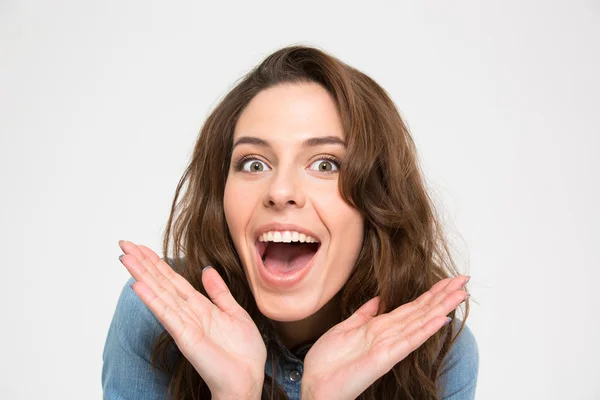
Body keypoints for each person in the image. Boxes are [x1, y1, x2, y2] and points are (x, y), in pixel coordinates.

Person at [102, 45, 479, 400]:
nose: (280, 191)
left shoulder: (436, 350)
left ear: (377, 199)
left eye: (326, 164)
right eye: (254, 164)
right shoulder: (158, 313)